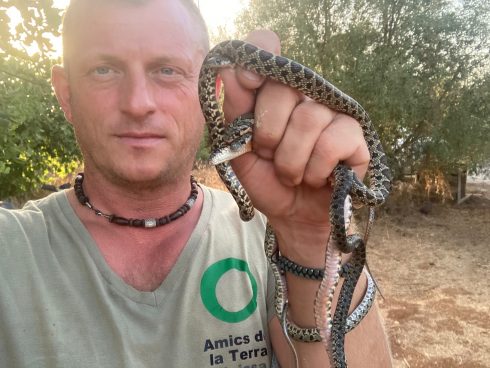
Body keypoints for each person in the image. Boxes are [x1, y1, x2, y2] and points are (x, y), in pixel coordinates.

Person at [0, 0, 393, 367]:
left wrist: (312, 235)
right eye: (104, 70)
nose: (138, 103)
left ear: (212, 93)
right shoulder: (11, 249)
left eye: (167, 70)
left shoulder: (268, 238)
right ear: (66, 95)